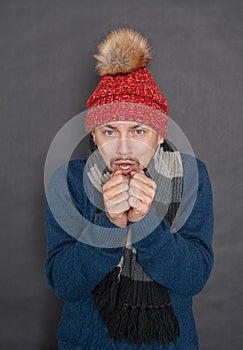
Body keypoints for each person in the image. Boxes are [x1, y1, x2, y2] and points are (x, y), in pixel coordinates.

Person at [45, 28, 214, 350]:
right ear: (94, 136)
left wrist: (148, 222)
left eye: (138, 130)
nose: (124, 148)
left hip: (170, 343)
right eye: (109, 131)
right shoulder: (68, 180)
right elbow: (66, 285)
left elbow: (193, 278)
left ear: (160, 136)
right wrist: (109, 223)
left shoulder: (190, 175)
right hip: (87, 342)